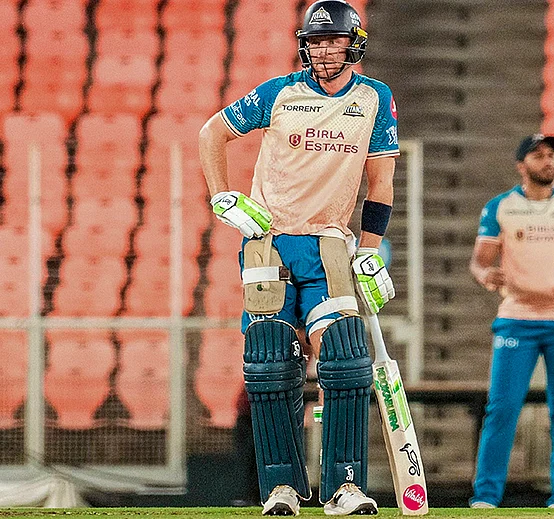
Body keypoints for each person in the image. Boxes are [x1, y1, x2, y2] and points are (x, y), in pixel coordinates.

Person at [198, 0, 399, 515]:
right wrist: (222, 195)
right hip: (268, 240)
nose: (323, 49)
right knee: (269, 363)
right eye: (315, 40)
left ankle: (345, 486)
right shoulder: (280, 91)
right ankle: (281, 488)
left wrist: (371, 251)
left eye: (333, 39)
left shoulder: (375, 98)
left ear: (354, 43)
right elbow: (211, 133)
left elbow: (381, 183)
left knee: (348, 361)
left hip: (331, 243)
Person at [468, 134, 554, 509]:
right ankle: (487, 497)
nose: (547, 162)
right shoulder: (501, 207)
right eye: (538, 156)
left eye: (551, 156)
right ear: (521, 165)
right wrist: (486, 275)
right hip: (518, 318)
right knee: (502, 407)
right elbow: (480, 260)